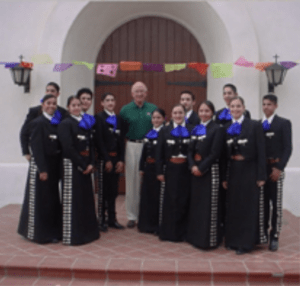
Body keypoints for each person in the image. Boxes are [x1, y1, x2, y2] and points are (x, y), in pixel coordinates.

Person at [222, 96, 267, 255]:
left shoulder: (254, 125)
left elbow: (262, 151)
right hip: (234, 170)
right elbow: (224, 155)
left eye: (238, 106)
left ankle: (245, 243)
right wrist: (225, 177)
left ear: (244, 107)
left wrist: (262, 175)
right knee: (234, 206)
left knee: (247, 207)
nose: (235, 109)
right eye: (232, 107)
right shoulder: (227, 127)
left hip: (249, 170)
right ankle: (233, 241)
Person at [18, 94, 62, 244]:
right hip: (43, 167)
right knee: (41, 201)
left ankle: (52, 231)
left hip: (54, 167)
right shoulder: (38, 122)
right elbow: (36, 148)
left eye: (54, 103)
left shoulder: (56, 122)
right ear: (43, 105)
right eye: (48, 103)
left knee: (52, 200)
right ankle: (40, 234)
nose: (51, 106)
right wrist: (42, 169)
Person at [58, 96, 99, 245]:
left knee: (85, 200)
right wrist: (82, 165)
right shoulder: (65, 124)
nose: (76, 107)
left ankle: (87, 232)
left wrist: (91, 163)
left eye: (78, 105)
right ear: (68, 107)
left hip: (86, 166)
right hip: (72, 166)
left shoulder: (84, 123)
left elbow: (90, 144)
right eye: (73, 105)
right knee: (73, 201)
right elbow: (68, 148)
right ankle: (72, 236)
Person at [186, 101, 225, 249]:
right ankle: (195, 237)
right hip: (195, 171)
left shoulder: (217, 129)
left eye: (207, 111)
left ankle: (209, 240)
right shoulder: (197, 128)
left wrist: (201, 168)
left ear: (212, 113)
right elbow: (190, 150)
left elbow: (215, 153)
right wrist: (192, 166)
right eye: (201, 111)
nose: (203, 113)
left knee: (209, 206)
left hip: (209, 171)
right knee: (197, 205)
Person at [120, 82, 157, 228]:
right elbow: (121, 132)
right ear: (132, 94)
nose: (139, 94)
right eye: (137, 91)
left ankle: (148, 214)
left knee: (149, 180)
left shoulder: (153, 109)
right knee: (132, 181)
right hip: (132, 146)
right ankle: (131, 216)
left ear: (146, 93)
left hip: (148, 146)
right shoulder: (125, 110)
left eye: (142, 91)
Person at [156, 104, 193, 242]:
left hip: (186, 170)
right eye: (175, 113)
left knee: (184, 200)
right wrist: (159, 171)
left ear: (185, 114)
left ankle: (183, 232)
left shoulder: (192, 129)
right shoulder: (165, 130)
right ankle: (169, 233)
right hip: (170, 169)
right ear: (171, 115)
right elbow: (159, 153)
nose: (178, 115)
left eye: (180, 113)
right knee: (171, 201)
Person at [261, 94, 292, 251]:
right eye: (264, 104)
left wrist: (279, 168)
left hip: (276, 168)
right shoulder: (260, 125)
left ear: (275, 106)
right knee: (264, 203)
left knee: (276, 204)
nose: (266, 107)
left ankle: (275, 235)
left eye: (269, 104)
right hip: (263, 169)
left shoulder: (283, 123)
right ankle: (264, 233)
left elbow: (288, 148)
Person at [94, 92, 125, 232]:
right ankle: (101, 220)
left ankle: (112, 219)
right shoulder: (99, 118)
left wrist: (121, 160)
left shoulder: (118, 118)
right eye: (107, 100)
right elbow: (99, 141)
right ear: (102, 103)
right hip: (104, 160)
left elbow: (121, 142)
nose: (110, 103)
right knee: (103, 192)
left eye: (113, 100)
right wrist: (106, 159)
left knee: (113, 191)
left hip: (116, 159)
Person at [20, 82, 68, 160]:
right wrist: (26, 152)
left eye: (52, 91)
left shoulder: (63, 112)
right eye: (47, 90)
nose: (49, 93)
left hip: (57, 153)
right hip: (39, 151)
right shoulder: (35, 111)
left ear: (58, 94)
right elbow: (24, 132)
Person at [138, 108, 165, 234]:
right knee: (147, 196)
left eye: (159, 118)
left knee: (157, 197)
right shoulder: (149, 132)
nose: (156, 120)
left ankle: (156, 225)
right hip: (148, 168)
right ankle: (145, 224)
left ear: (164, 119)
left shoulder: (165, 133)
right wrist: (141, 168)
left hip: (158, 169)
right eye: (154, 118)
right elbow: (143, 152)